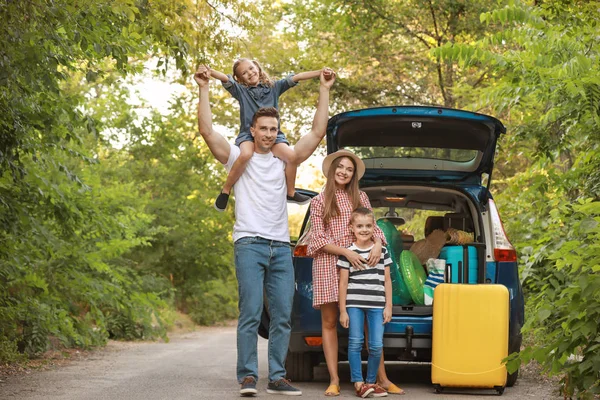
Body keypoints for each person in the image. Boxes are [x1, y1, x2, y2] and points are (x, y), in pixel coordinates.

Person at [193, 65, 335, 397]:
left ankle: (277, 377)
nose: (269, 134)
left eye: (274, 128)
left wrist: (324, 89)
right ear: (252, 129)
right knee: (251, 311)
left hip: (280, 247)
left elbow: (317, 132)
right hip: (249, 244)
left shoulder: (286, 160)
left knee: (284, 314)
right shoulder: (236, 158)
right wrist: (203, 88)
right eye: (264, 129)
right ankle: (247, 377)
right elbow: (208, 131)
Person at [307, 149, 405, 396]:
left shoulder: (360, 197)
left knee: (367, 325)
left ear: (354, 175)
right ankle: (334, 380)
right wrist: (345, 252)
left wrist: (379, 244)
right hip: (329, 263)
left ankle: (381, 378)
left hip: (361, 264)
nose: (344, 171)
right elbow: (316, 239)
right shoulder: (319, 201)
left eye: (349, 169)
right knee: (330, 322)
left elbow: (376, 229)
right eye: (340, 167)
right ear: (331, 170)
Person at [205, 59, 331, 211]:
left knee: (291, 157)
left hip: (274, 135)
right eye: (244, 73)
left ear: (257, 67)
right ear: (240, 79)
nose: (250, 73)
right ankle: (225, 190)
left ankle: (290, 192)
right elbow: (225, 79)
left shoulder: (274, 87)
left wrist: (320, 73)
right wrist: (210, 72)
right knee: (245, 154)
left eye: (251, 68)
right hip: (248, 135)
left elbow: (296, 77)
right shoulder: (241, 91)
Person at [338, 207, 393, 398]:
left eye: (368, 225)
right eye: (359, 226)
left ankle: (371, 382)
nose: (364, 229)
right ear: (351, 227)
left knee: (376, 345)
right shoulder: (348, 253)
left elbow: (387, 280)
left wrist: (388, 306)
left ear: (373, 227)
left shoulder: (382, 252)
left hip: (377, 305)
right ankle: (358, 382)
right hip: (354, 305)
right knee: (355, 343)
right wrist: (343, 310)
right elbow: (343, 283)